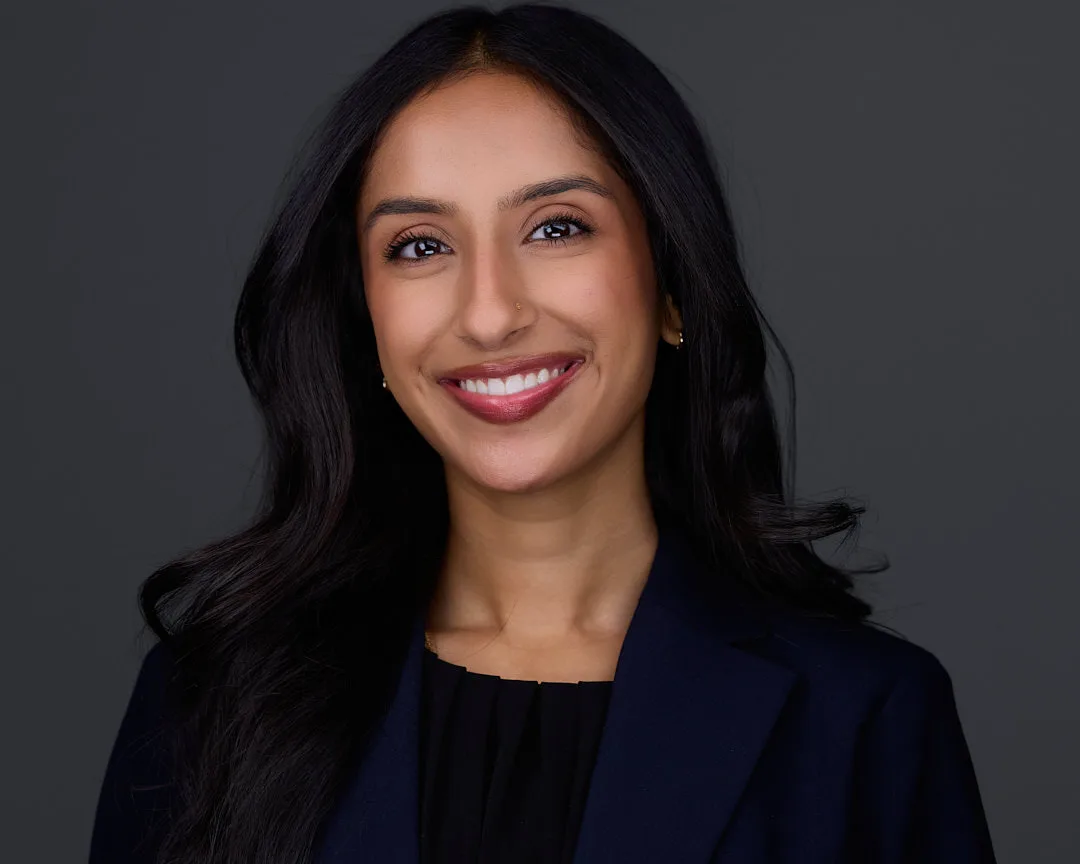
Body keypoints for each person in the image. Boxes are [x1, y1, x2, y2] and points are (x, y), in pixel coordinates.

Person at [89, 4, 997, 863]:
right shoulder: (209, 700)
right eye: (418, 245)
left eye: (557, 227)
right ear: (362, 315)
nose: (489, 315)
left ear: (673, 286)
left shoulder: (865, 718)